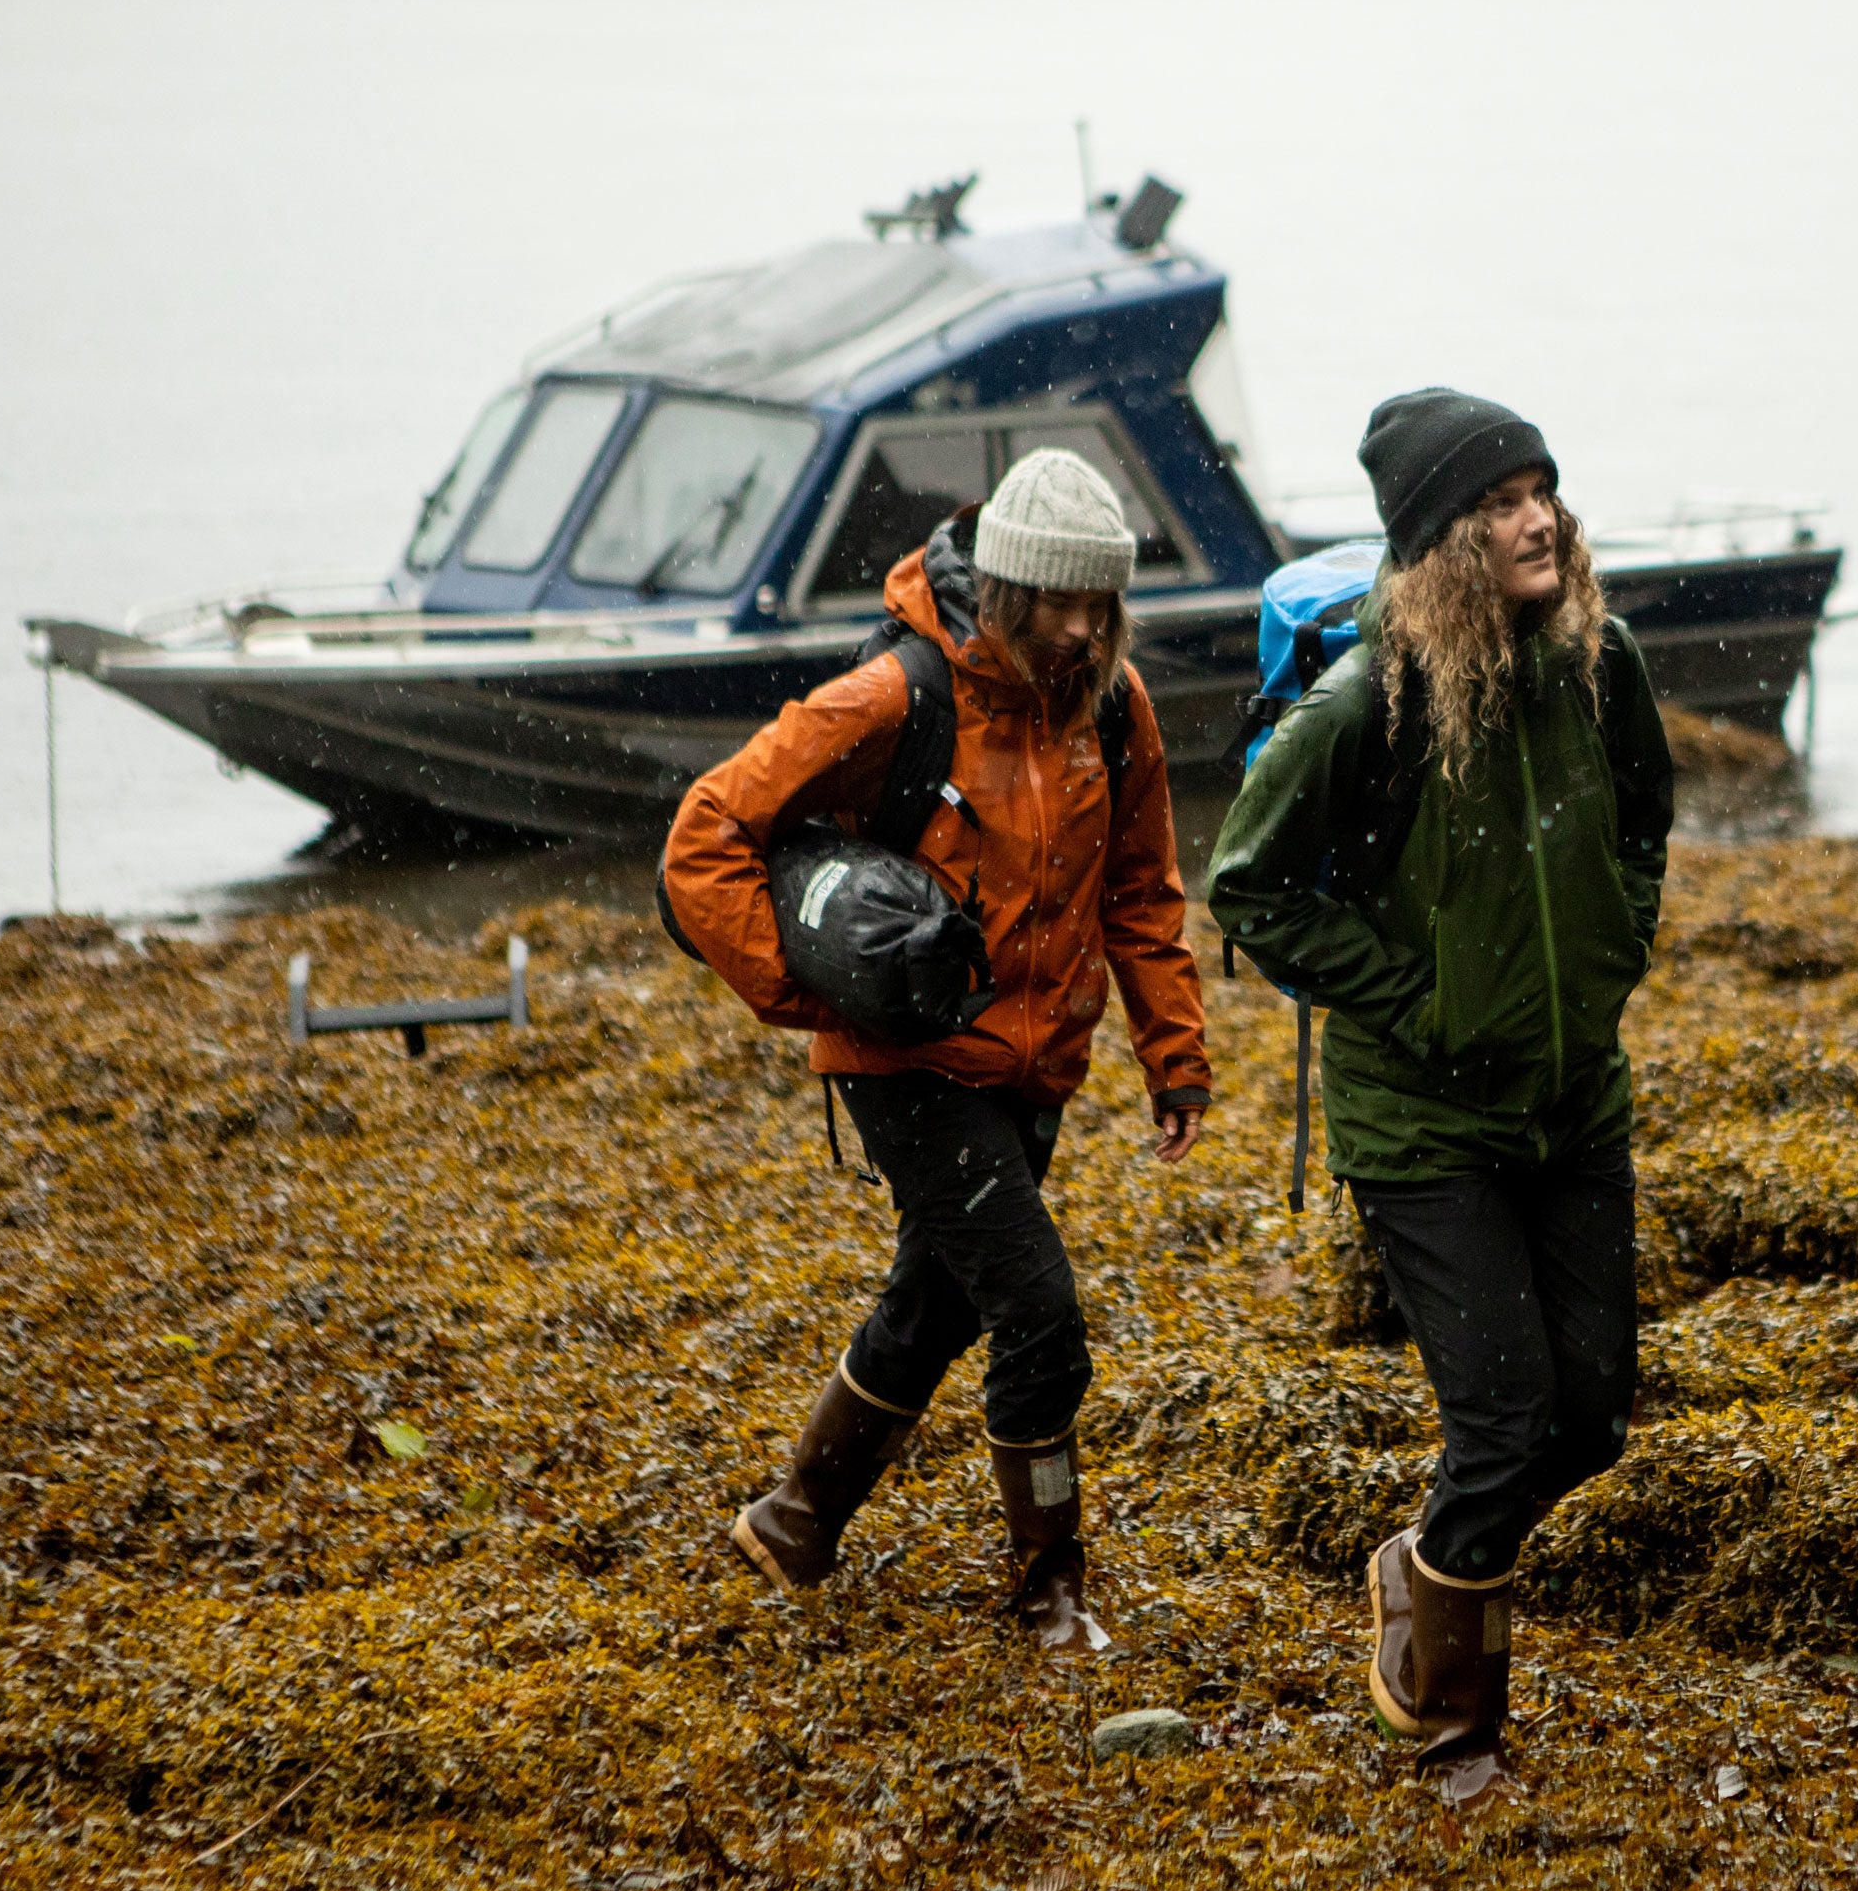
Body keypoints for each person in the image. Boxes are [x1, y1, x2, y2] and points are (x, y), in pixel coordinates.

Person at [664, 447, 1211, 1651]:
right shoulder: (893, 696)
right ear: (1007, 589)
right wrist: (798, 994)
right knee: (1042, 1316)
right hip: (907, 1067)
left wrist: (1173, 1052)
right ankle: (1050, 1586)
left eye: (1099, 602)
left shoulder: (1115, 710)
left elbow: (1140, 890)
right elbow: (703, 836)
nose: (1080, 626)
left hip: (1036, 1068)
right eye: (1059, 602)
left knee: (939, 1300)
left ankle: (798, 1513)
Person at [1208, 390, 1673, 1793]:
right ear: (1439, 544)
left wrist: (1607, 956)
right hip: (1423, 1126)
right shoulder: (1371, 703)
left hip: (1572, 1098)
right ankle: (1450, 1720)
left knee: (1590, 1418)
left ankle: (1418, 1573)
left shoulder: (1604, 665)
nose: (1537, 519)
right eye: (1498, 503)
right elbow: (1248, 886)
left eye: (1542, 490)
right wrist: (1419, 1000)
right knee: (1501, 1421)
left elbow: (1645, 820)